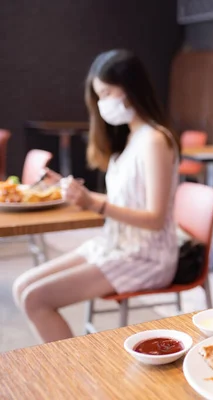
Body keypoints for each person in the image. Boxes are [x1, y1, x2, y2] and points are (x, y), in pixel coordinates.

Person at [13, 49, 181, 343]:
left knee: (35, 299)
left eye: (106, 93)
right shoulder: (129, 139)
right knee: (22, 287)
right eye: (98, 96)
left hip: (147, 256)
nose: (103, 104)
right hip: (115, 244)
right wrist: (81, 195)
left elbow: (155, 220)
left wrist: (94, 202)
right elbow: (126, 201)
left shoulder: (155, 140)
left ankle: (72, 383)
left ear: (131, 88)